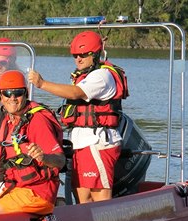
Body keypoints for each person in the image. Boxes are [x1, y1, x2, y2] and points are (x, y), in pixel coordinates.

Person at [28, 31, 129, 203]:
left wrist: (41, 84)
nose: (78, 59)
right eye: (75, 55)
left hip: (98, 143)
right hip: (82, 144)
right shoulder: (84, 76)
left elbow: (76, 93)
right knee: (81, 196)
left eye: (83, 55)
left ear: (96, 54)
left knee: (100, 197)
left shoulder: (102, 76)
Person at [0, 70, 65, 216]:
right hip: (14, 190)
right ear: (0, 95)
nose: (12, 98)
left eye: (17, 93)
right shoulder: (2, 123)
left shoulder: (38, 120)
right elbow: (0, 169)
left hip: (36, 193)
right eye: (7, 93)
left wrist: (44, 158)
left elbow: (60, 160)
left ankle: (54, 207)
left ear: (25, 94)